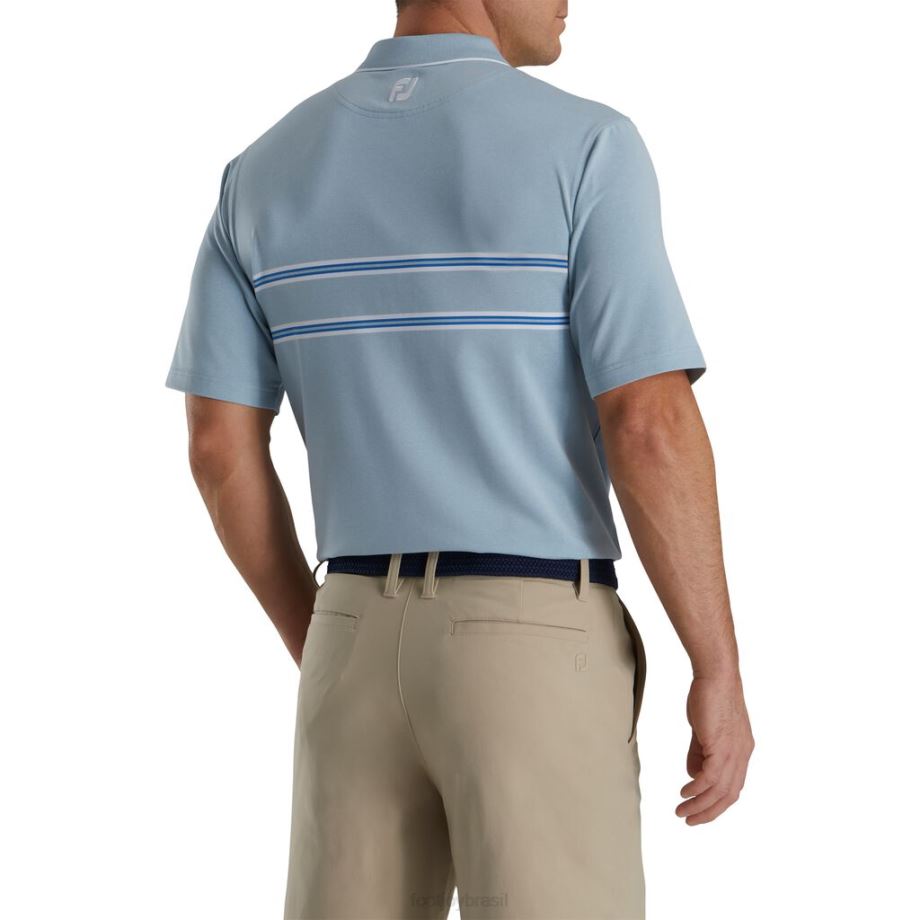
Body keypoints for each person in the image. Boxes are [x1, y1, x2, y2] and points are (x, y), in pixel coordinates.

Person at [165, 1, 755, 917]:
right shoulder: (586, 146)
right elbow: (647, 420)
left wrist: (323, 638)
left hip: (349, 635)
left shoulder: (262, 171)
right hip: (531, 638)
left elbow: (217, 446)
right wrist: (716, 665)